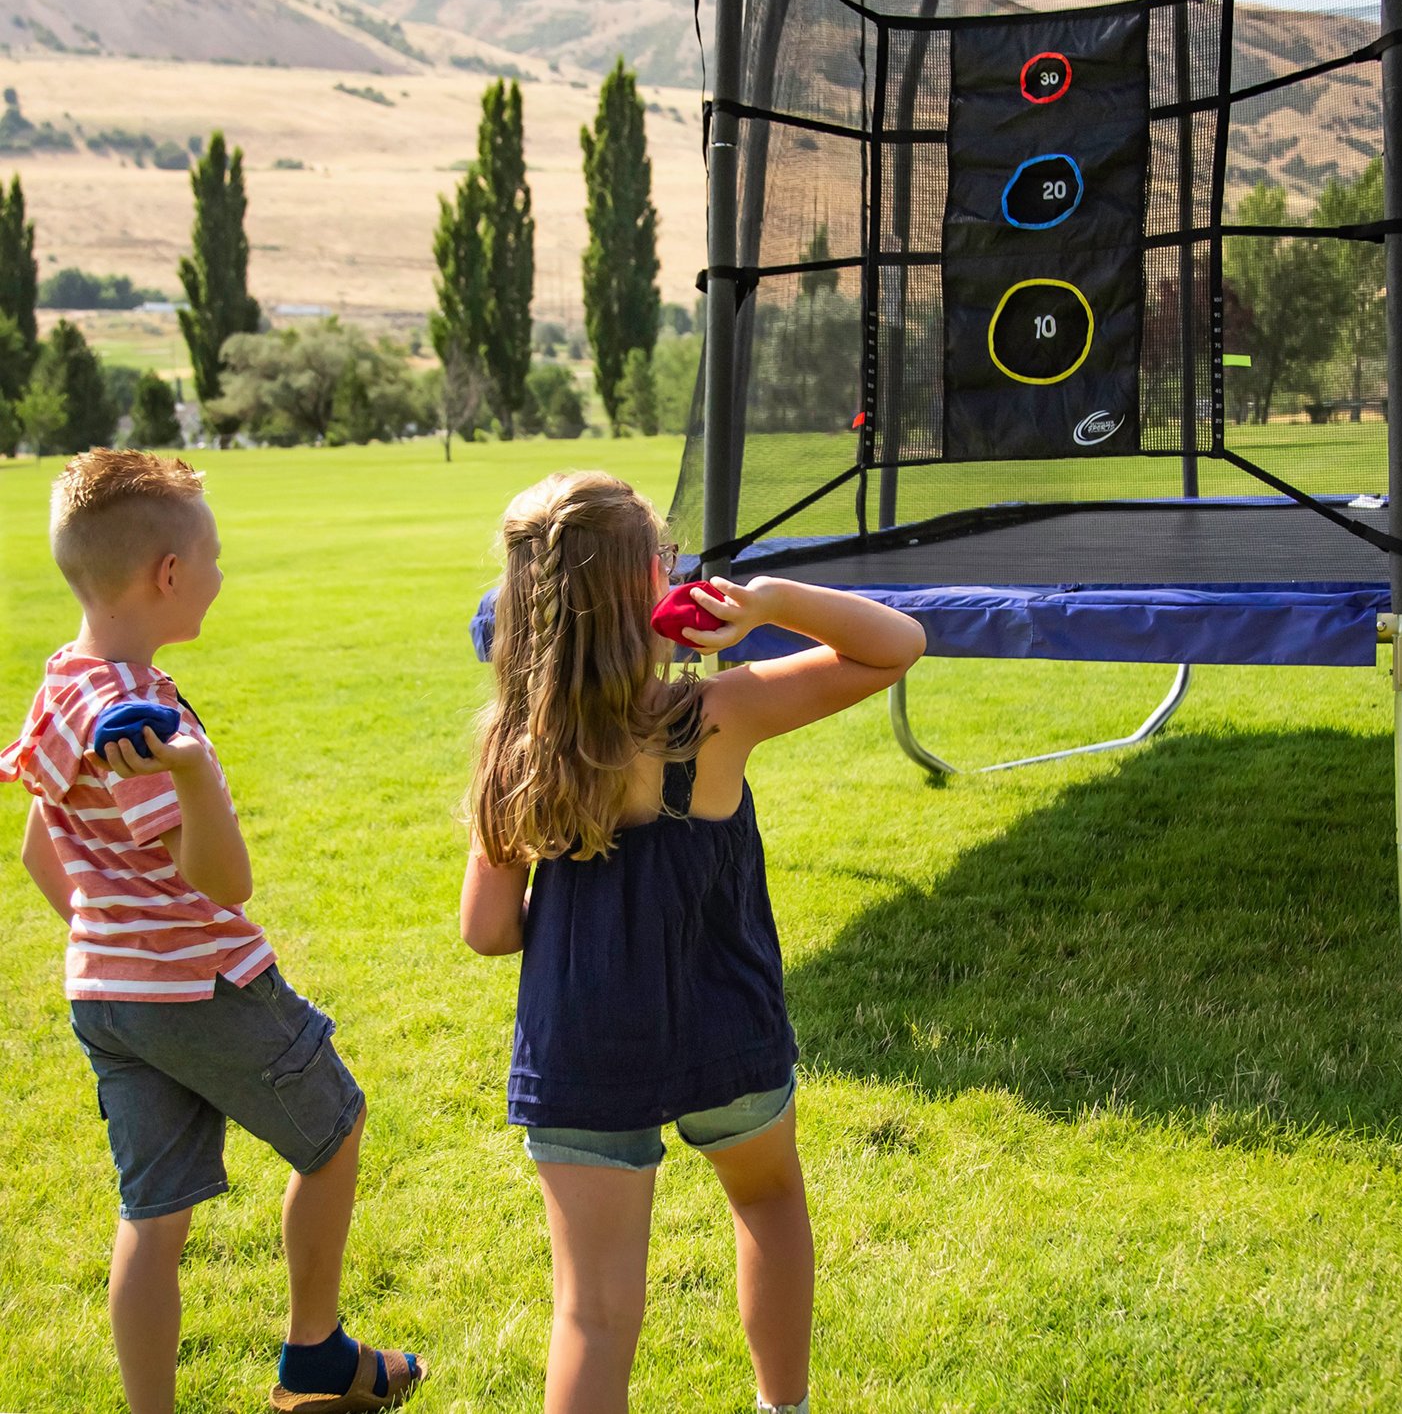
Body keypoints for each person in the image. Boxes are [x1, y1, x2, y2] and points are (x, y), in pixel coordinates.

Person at [459, 471, 926, 1414]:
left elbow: (487, 929)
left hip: (584, 1044)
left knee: (591, 1314)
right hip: (724, 1023)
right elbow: (897, 646)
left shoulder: (514, 748)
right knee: (766, 1206)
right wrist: (770, 604)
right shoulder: (712, 714)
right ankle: (781, 1407)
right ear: (653, 591)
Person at [3, 449, 425, 1414]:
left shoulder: (64, 686)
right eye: (216, 557)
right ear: (169, 574)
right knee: (335, 1125)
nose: (222, 574)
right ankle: (316, 1361)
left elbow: (40, 847)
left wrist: (114, 937)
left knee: (153, 1214)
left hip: (107, 998)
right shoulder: (139, 722)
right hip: (203, 987)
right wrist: (193, 778)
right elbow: (223, 885)